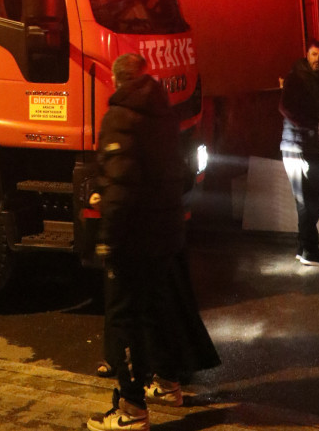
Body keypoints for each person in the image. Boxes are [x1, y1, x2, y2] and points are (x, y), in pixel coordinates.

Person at [87, 53, 220, 431]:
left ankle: (131, 409)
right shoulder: (165, 115)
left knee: (125, 316)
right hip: (165, 232)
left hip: (133, 236)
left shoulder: (120, 117)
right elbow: (172, 174)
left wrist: (107, 243)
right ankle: (168, 383)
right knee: (158, 310)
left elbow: (122, 187)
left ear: (116, 80)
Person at [279, 41, 319, 266]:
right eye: (314, 54)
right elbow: (285, 107)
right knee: (307, 200)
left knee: (313, 198)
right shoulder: (296, 76)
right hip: (297, 145)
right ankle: (308, 249)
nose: (318, 59)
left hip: (313, 147)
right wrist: (311, 126)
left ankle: (305, 246)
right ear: (307, 54)